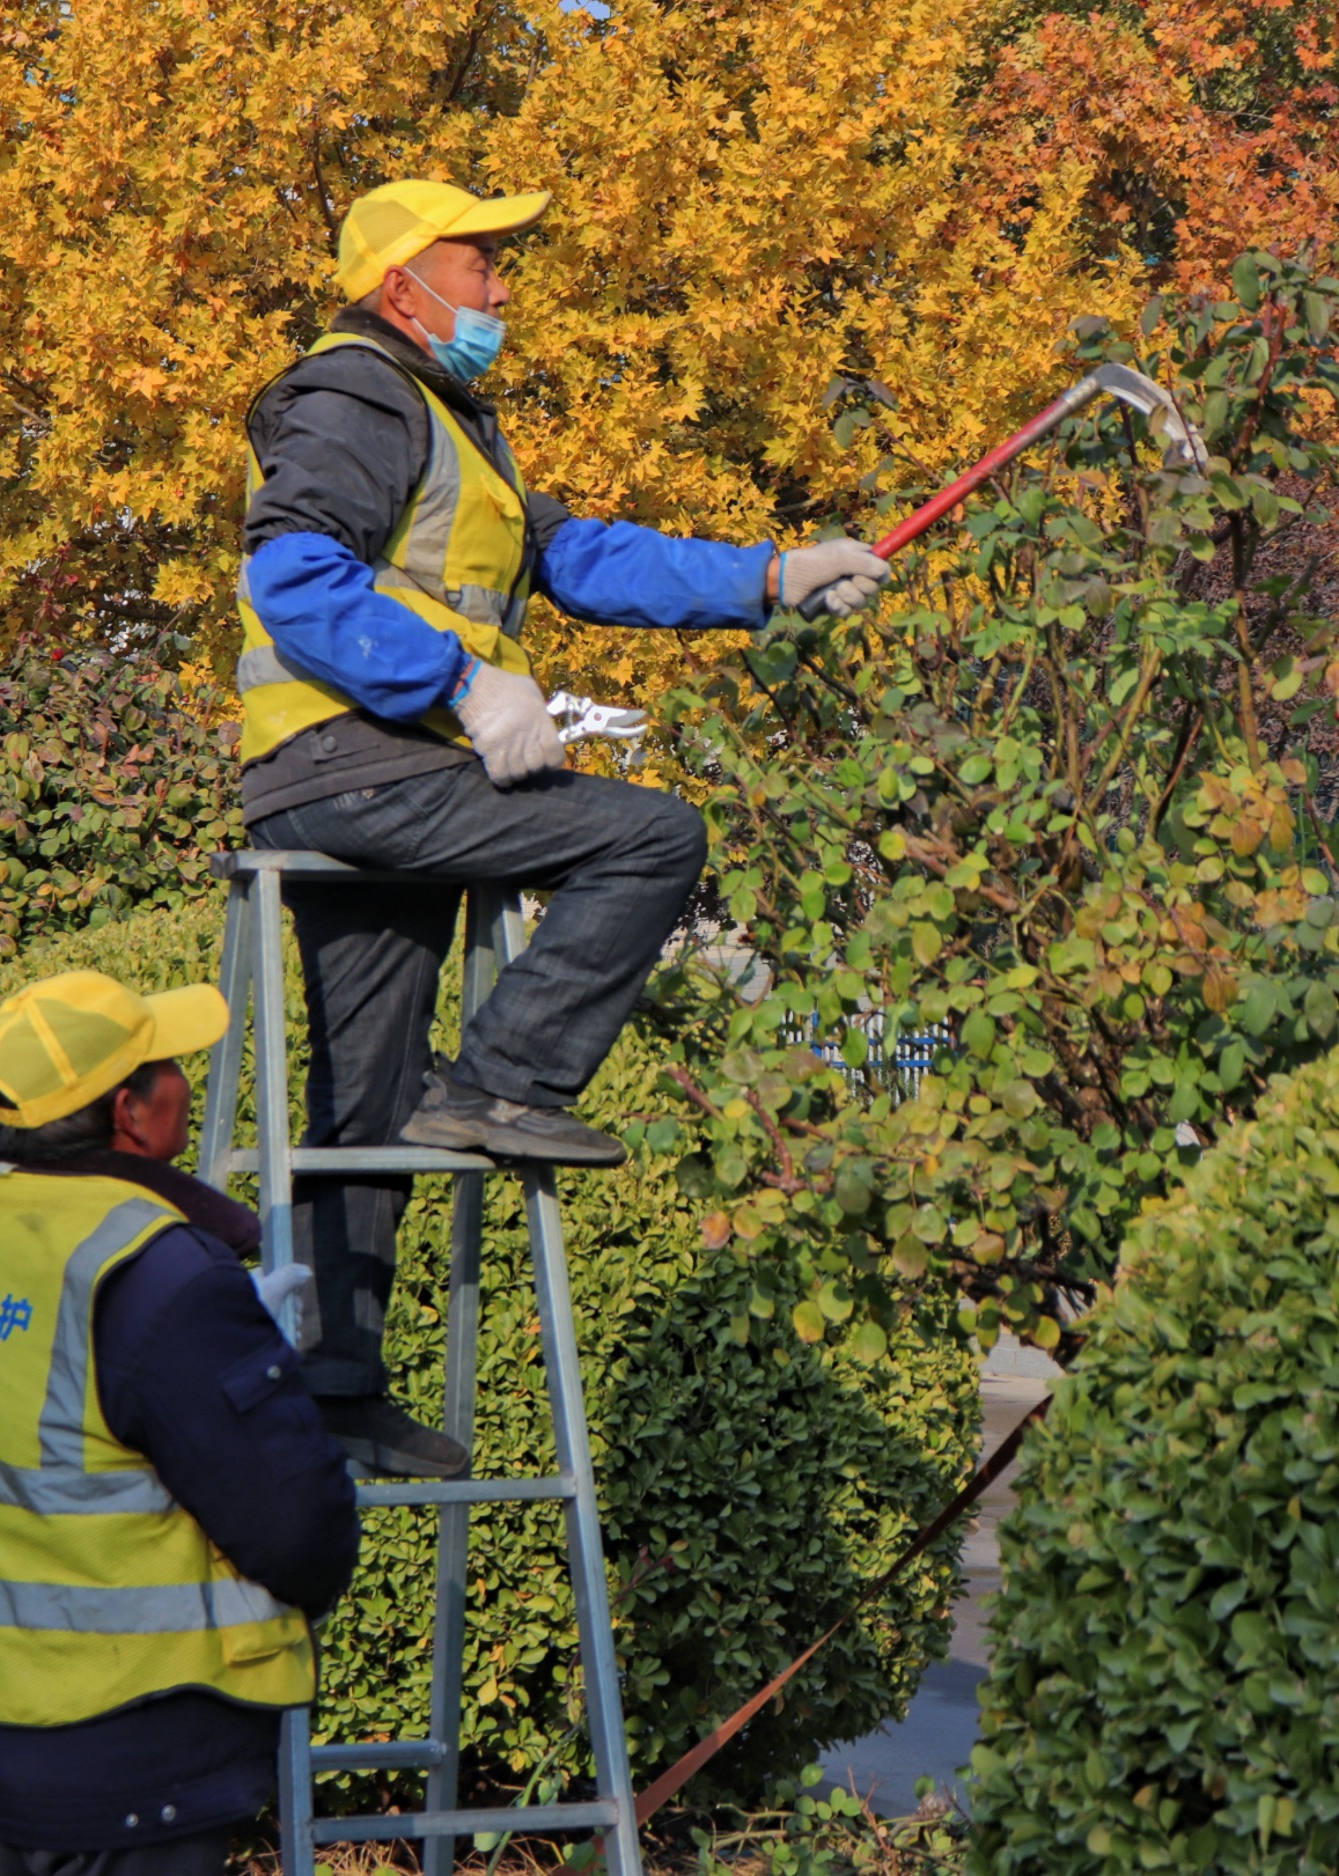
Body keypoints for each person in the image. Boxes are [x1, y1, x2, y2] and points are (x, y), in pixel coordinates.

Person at [236, 179, 893, 1479]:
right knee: (649, 840)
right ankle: (503, 1086)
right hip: (363, 762)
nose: (504, 287)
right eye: (483, 262)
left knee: (366, 1099)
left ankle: (337, 1388)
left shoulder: (449, 422)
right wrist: (464, 685)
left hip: (360, 771)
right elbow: (293, 576)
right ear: (401, 286)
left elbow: (584, 562)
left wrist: (770, 577)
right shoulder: (358, 393)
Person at [0, 969, 360, 1876]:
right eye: (169, 1066)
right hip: (132, 1751)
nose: (187, 1085)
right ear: (132, 1112)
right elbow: (299, 1530)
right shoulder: (153, 1269)